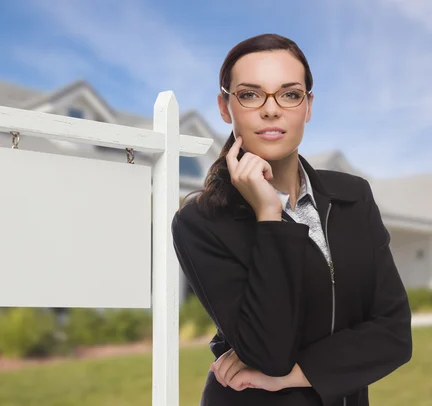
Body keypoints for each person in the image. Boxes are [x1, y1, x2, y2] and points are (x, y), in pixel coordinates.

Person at [171, 33, 412, 406]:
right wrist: (269, 216)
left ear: (308, 106)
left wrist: (294, 376)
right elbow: (268, 353)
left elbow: (395, 335)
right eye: (250, 94)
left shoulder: (353, 196)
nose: (271, 110)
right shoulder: (201, 222)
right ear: (224, 107)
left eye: (290, 94)